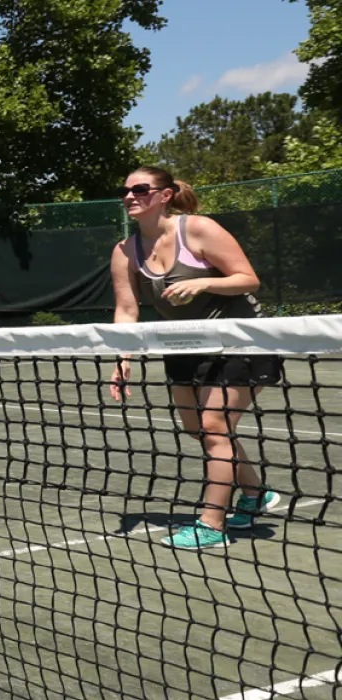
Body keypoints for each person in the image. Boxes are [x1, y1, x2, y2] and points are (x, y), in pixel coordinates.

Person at [107, 165, 283, 550]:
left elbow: (247, 278)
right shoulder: (125, 251)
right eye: (126, 190)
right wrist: (123, 359)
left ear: (164, 195)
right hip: (184, 345)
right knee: (199, 430)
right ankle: (254, 493)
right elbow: (126, 310)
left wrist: (203, 280)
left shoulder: (199, 229)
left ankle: (211, 524)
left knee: (214, 426)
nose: (129, 195)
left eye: (140, 189)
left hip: (240, 338)